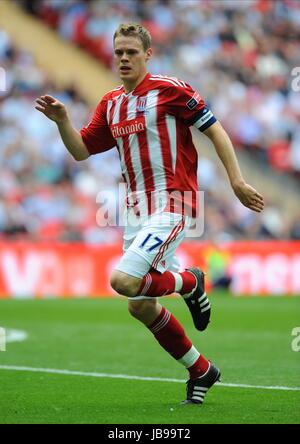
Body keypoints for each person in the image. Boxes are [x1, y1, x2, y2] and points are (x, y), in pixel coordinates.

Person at [35, 23, 264, 405]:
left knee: (123, 281)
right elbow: (80, 151)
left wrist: (236, 182)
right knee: (139, 304)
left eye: (131, 52)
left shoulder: (170, 89)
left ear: (147, 55)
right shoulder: (111, 103)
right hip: (135, 210)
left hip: (174, 201)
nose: (124, 58)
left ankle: (189, 282)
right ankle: (201, 369)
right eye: (119, 52)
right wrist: (62, 121)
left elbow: (216, 130)